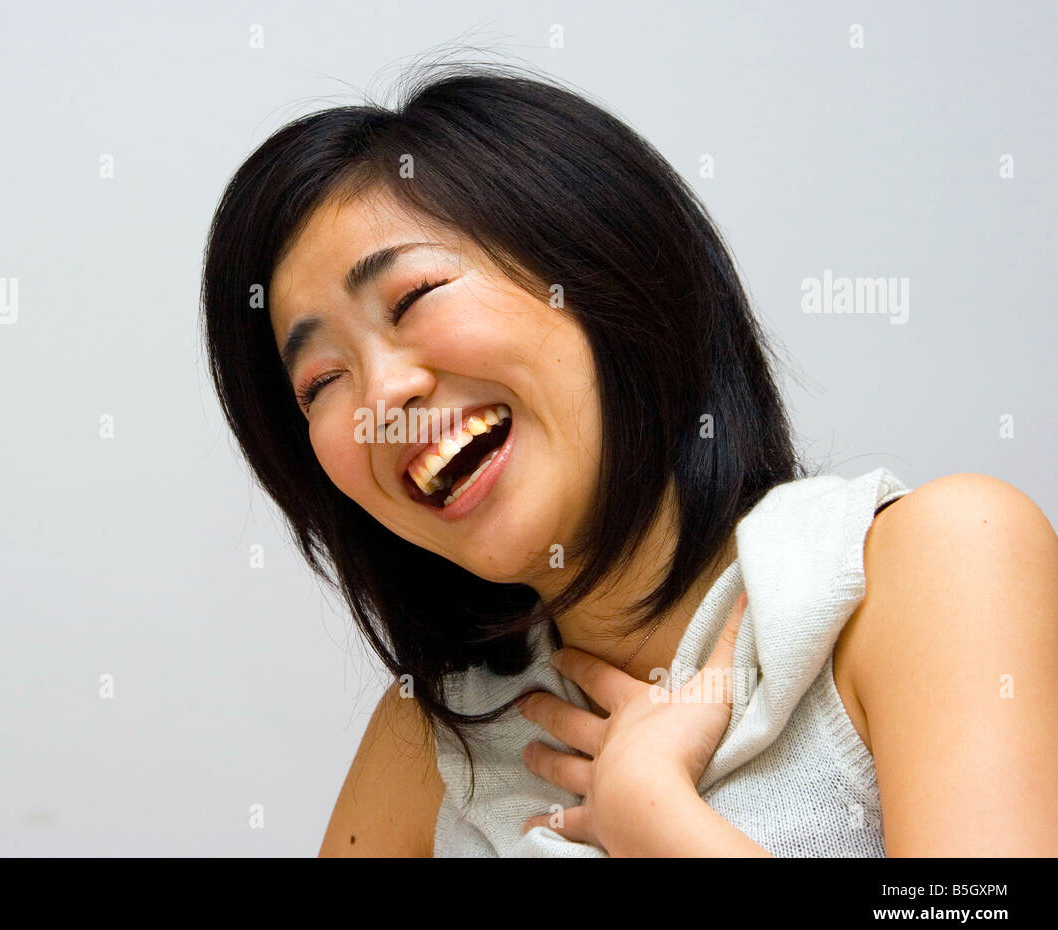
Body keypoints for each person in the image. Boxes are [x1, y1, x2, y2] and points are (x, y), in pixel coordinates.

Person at [200, 63, 1058, 856]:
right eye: (320, 382)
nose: (380, 397)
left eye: (415, 295)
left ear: (605, 271)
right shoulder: (427, 740)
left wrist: (658, 821)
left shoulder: (929, 562)